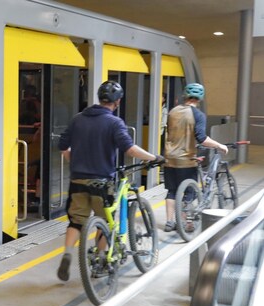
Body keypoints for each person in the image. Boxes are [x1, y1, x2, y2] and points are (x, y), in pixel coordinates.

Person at [56, 80, 163, 281]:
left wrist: (74, 160)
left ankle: (68, 254)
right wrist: (153, 157)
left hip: (78, 180)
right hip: (102, 182)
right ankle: (100, 259)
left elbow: (63, 146)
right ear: (118, 102)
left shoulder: (78, 119)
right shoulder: (114, 123)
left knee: (76, 222)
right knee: (106, 222)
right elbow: (129, 149)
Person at [163, 83, 228, 232]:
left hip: (169, 158)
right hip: (186, 160)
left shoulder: (173, 112)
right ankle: (187, 223)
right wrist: (219, 145)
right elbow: (202, 138)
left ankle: (169, 222)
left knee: (172, 191)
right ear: (200, 98)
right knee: (189, 192)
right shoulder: (197, 114)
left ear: (185, 95)